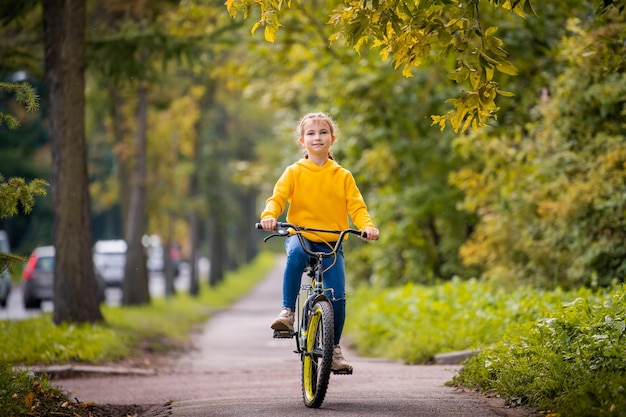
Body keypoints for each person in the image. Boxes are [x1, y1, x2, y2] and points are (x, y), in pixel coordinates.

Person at [259, 112, 379, 372]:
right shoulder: (294, 171)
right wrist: (269, 216)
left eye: (323, 132)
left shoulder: (343, 176)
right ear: (302, 141)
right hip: (300, 235)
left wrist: (367, 227)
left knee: (338, 296)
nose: (317, 137)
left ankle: (334, 349)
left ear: (332, 139)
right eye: (311, 133)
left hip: (332, 242)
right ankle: (287, 313)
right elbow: (277, 198)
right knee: (296, 255)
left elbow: (357, 208)